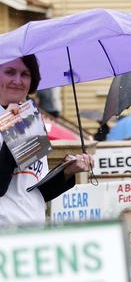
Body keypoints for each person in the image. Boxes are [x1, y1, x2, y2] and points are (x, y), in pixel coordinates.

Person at [0, 55, 92, 224]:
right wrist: (15, 136)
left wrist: (66, 171)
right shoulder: (20, 122)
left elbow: (37, 191)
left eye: (25, 74)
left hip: (34, 234)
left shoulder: (27, 118)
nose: (18, 80)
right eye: (10, 72)